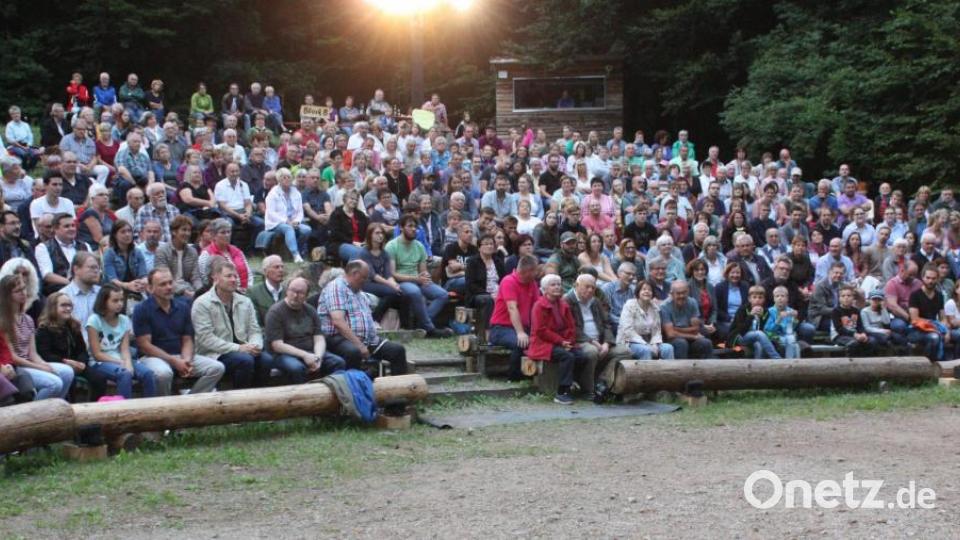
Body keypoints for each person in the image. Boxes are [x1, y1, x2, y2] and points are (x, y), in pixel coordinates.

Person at [134, 268, 225, 396]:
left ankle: (189, 404)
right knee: (163, 373)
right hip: (153, 357)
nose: (169, 287)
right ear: (150, 288)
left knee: (216, 368)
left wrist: (186, 361)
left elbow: (187, 339)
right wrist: (175, 361)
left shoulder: (183, 307)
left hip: (180, 355)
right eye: (163, 284)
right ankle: (164, 409)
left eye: (170, 282)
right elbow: (145, 346)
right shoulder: (142, 309)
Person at [318, 260, 408, 375]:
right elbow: (338, 322)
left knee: (397, 351)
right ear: (355, 273)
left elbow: (366, 317)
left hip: (365, 340)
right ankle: (354, 389)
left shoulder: (358, 292)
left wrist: (374, 337)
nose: (365, 281)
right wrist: (360, 345)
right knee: (353, 352)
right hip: (337, 338)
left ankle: (399, 390)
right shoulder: (336, 287)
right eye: (364, 277)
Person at [0, 274, 74, 400]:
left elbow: (33, 353)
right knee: (54, 383)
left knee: (67, 372)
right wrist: (41, 368)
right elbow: (14, 358)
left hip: (29, 362)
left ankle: (55, 410)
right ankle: (33, 412)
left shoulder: (28, 319)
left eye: (24, 288)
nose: (23, 293)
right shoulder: (4, 321)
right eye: (18, 291)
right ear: (7, 295)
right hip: (19, 366)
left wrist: (45, 365)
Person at [191, 260, 261, 389]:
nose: (234, 279)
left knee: (265, 360)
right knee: (245, 361)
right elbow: (206, 339)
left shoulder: (245, 301)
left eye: (235, 276)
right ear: (216, 279)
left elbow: (254, 330)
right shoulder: (202, 303)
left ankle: (262, 402)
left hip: (243, 348)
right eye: (228, 276)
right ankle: (241, 403)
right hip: (214, 353)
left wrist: (255, 345)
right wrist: (238, 348)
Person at [265, 277, 345, 384]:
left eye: (300, 292)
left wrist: (318, 357)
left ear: (306, 296)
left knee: (338, 362)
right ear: (287, 290)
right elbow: (277, 345)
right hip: (285, 354)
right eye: (292, 290)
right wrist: (305, 355)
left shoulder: (310, 310)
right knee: (297, 368)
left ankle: (332, 394)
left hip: (311, 351)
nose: (295, 295)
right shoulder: (275, 312)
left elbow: (319, 338)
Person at [565, 273, 632, 396]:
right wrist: (593, 342)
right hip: (580, 341)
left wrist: (606, 343)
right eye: (587, 287)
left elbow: (606, 323)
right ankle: (588, 390)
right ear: (577, 285)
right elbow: (572, 328)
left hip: (600, 341)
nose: (590, 290)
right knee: (591, 351)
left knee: (625, 351)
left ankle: (602, 380)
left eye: (593, 287)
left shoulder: (595, 302)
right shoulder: (567, 301)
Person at [86, 284, 158, 398]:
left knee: (147, 374)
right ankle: (125, 410)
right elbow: (97, 354)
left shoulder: (124, 320)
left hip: (120, 358)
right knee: (124, 374)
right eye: (115, 300)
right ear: (104, 301)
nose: (120, 303)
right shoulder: (94, 320)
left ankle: (151, 410)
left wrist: (128, 363)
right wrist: (120, 363)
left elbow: (124, 349)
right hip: (99, 363)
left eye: (121, 300)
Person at [385, 215, 452, 337]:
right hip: (401, 281)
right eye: (410, 226)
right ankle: (430, 328)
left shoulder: (419, 246)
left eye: (415, 226)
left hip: (417, 279)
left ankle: (422, 324)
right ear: (401, 228)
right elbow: (392, 274)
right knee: (415, 292)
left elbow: (423, 270)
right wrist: (416, 279)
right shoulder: (392, 246)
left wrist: (425, 276)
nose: (414, 229)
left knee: (442, 294)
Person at [527, 274, 590, 404]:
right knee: (567, 356)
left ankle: (573, 382)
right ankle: (562, 392)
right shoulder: (539, 306)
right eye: (553, 284)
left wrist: (568, 341)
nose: (557, 287)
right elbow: (541, 331)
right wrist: (561, 342)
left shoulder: (563, 304)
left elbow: (571, 327)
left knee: (582, 357)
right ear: (545, 289)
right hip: (543, 344)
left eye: (559, 284)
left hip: (562, 342)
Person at [487, 255, 542, 380]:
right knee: (521, 342)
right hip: (501, 328)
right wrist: (520, 332)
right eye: (535, 270)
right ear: (528, 271)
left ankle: (535, 373)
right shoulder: (508, 281)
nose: (538, 273)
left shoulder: (532, 283)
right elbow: (512, 308)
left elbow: (538, 306)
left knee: (540, 341)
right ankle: (514, 377)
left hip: (524, 326)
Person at [35, 291, 89, 386]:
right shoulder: (44, 329)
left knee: (98, 378)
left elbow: (82, 350)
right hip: (57, 365)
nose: (68, 308)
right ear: (53, 307)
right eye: (63, 305)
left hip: (77, 365)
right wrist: (67, 362)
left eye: (70, 305)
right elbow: (45, 355)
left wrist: (82, 363)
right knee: (70, 377)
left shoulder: (74, 326)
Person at [36, 212, 90, 295]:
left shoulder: (85, 245)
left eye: (73, 225)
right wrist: (72, 284)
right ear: (55, 229)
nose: (71, 229)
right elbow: (47, 275)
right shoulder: (43, 247)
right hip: (59, 292)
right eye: (66, 226)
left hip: (86, 288)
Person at [264, 168, 310, 263]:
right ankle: (295, 254)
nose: (287, 179)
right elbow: (271, 213)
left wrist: (297, 221)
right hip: (276, 223)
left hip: (293, 221)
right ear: (279, 180)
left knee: (306, 230)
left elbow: (299, 211)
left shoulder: (296, 192)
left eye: (289, 177)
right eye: (284, 177)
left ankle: (299, 251)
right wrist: (286, 221)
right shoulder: (273, 193)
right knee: (288, 228)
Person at [464, 233, 506, 336]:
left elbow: (504, 280)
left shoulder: (498, 261)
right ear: (479, 247)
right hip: (479, 294)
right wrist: (489, 294)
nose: (489, 246)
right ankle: (488, 333)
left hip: (498, 292)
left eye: (491, 244)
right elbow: (471, 284)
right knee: (487, 300)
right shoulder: (473, 262)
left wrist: (501, 293)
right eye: (486, 244)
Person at [660, 280, 713, 359]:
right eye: (678, 293)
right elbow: (670, 334)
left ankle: (706, 370)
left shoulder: (692, 302)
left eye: (684, 292)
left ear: (688, 291)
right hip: (673, 340)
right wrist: (693, 336)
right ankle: (682, 370)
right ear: (672, 294)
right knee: (681, 343)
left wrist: (676, 329)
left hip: (688, 337)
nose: (681, 296)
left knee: (706, 343)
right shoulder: (665, 306)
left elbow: (696, 329)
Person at [154, 215, 202, 299]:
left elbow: (196, 277)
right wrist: (184, 291)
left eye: (189, 230)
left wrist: (200, 292)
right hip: (169, 290)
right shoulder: (162, 251)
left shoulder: (192, 252)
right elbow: (164, 278)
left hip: (189, 290)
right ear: (174, 232)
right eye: (184, 230)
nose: (187, 233)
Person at [908, 264, 949, 361]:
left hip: (935, 327)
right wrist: (936, 328)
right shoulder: (915, 295)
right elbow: (915, 319)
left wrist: (945, 330)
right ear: (922, 278)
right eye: (928, 278)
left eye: (933, 278)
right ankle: (929, 365)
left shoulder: (939, 296)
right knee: (934, 338)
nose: (930, 281)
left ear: (937, 279)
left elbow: (943, 317)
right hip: (917, 330)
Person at [728, 286, 782, 359]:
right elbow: (740, 330)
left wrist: (762, 318)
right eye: (754, 297)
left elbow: (763, 330)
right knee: (759, 334)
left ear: (764, 299)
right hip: (740, 337)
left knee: (759, 345)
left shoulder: (765, 311)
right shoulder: (743, 309)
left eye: (760, 297)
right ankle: (777, 358)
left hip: (755, 338)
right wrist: (750, 316)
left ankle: (758, 367)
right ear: (749, 299)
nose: (757, 300)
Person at [198, 218, 252, 291]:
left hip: (245, 291)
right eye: (223, 232)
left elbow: (249, 274)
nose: (227, 235)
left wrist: (249, 287)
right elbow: (205, 280)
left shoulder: (237, 251)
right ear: (214, 235)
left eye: (228, 232)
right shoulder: (206, 254)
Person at [102, 219, 147, 301]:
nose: (127, 234)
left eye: (129, 231)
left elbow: (143, 275)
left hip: (136, 290)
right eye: (123, 232)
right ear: (115, 235)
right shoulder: (109, 254)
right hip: (114, 292)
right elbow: (112, 280)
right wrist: (127, 285)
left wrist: (142, 282)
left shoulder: (137, 252)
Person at [832, 285, 878, 354]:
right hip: (839, 336)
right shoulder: (836, 311)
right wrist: (855, 335)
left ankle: (866, 361)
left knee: (872, 341)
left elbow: (860, 326)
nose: (846, 298)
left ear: (853, 298)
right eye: (843, 296)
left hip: (855, 334)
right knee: (854, 343)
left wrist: (863, 334)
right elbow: (839, 329)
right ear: (839, 298)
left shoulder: (856, 311)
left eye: (849, 295)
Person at [328, 189, 369, 263]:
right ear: (345, 199)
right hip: (341, 244)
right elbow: (335, 234)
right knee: (357, 252)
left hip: (361, 244)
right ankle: (352, 273)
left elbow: (368, 229)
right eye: (352, 198)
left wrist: (366, 241)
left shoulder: (361, 215)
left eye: (356, 200)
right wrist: (353, 242)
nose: (354, 201)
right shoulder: (336, 214)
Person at [246, 255, 286, 327]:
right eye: (276, 267)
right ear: (265, 271)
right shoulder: (253, 293)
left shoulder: (289, 291)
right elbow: (255, 324)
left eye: (282, 267)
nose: (281, 270)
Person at [809, 262, 847, 333]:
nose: (838, 275)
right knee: (842, 324)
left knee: (852, 322)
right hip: (819, 318)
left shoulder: (842, 286)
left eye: (841, 273)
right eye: (836, 272)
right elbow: (822, 309)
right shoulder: (820, 286)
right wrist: (840, 312)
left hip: (836, 316)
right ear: (830, 272)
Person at [601, 262, 637, 336]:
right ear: (619, 274)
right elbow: (607, 313)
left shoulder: (633, 290)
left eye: (633, 275)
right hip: (613, 324)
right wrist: (623, 321)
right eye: (628, 273)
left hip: (629, 323)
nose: (631, 277)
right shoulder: (607, 288)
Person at [765, 286, 800, 358]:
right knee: (791, 341)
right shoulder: (770, 311)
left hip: (787, 335)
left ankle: (790, 362)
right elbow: (768, 329)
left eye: (782, 296)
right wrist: (779, 320)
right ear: (774, 299)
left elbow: (791, 328)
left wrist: (795, 319)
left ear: (787, 299)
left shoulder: (790, 311)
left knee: (792, 340)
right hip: (774, 336)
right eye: (777, 296)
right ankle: (788, 362)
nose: (780, 298)